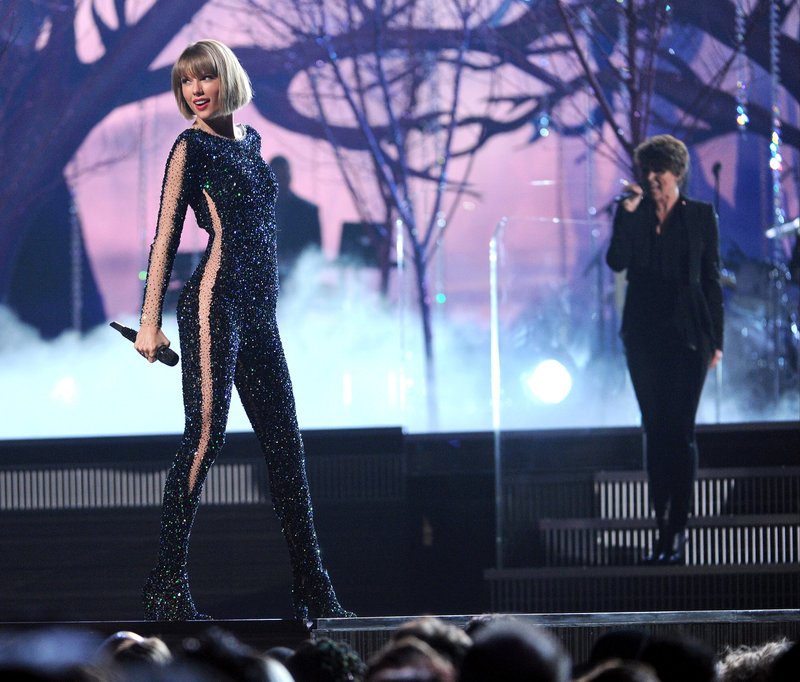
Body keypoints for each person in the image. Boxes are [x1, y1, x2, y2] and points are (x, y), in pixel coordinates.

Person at [134, 38, 353, 621]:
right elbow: (165, 237)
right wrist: (149, 323)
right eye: (186, 82)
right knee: (205, 441)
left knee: (286, 448)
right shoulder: (190, 148)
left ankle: (313, 586)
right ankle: (166, 587)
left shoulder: (252, 144)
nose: (196, 91)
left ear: (227, 80)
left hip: (260, 315)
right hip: (212, 304)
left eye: (204, 78)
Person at [606, 134, 724, 565]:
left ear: (677, 173)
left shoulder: (700, 217)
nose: (652, 177)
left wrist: (718, 341)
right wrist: (627, 216)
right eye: (647, 170)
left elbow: (711, 279)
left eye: (660, 169)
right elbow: (617, 262)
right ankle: (660, 527)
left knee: (681, 430)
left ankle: (679, 526)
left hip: (690, 336)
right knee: (654, 428)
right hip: (643, 334)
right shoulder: (632, 215)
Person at [269, 155, 322, 280]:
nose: (280, 183)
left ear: (289, 177)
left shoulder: (307, 212)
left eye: (283, 177)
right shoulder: (254, 211)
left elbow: (315, 251)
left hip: (297, 277)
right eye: (277, 177)